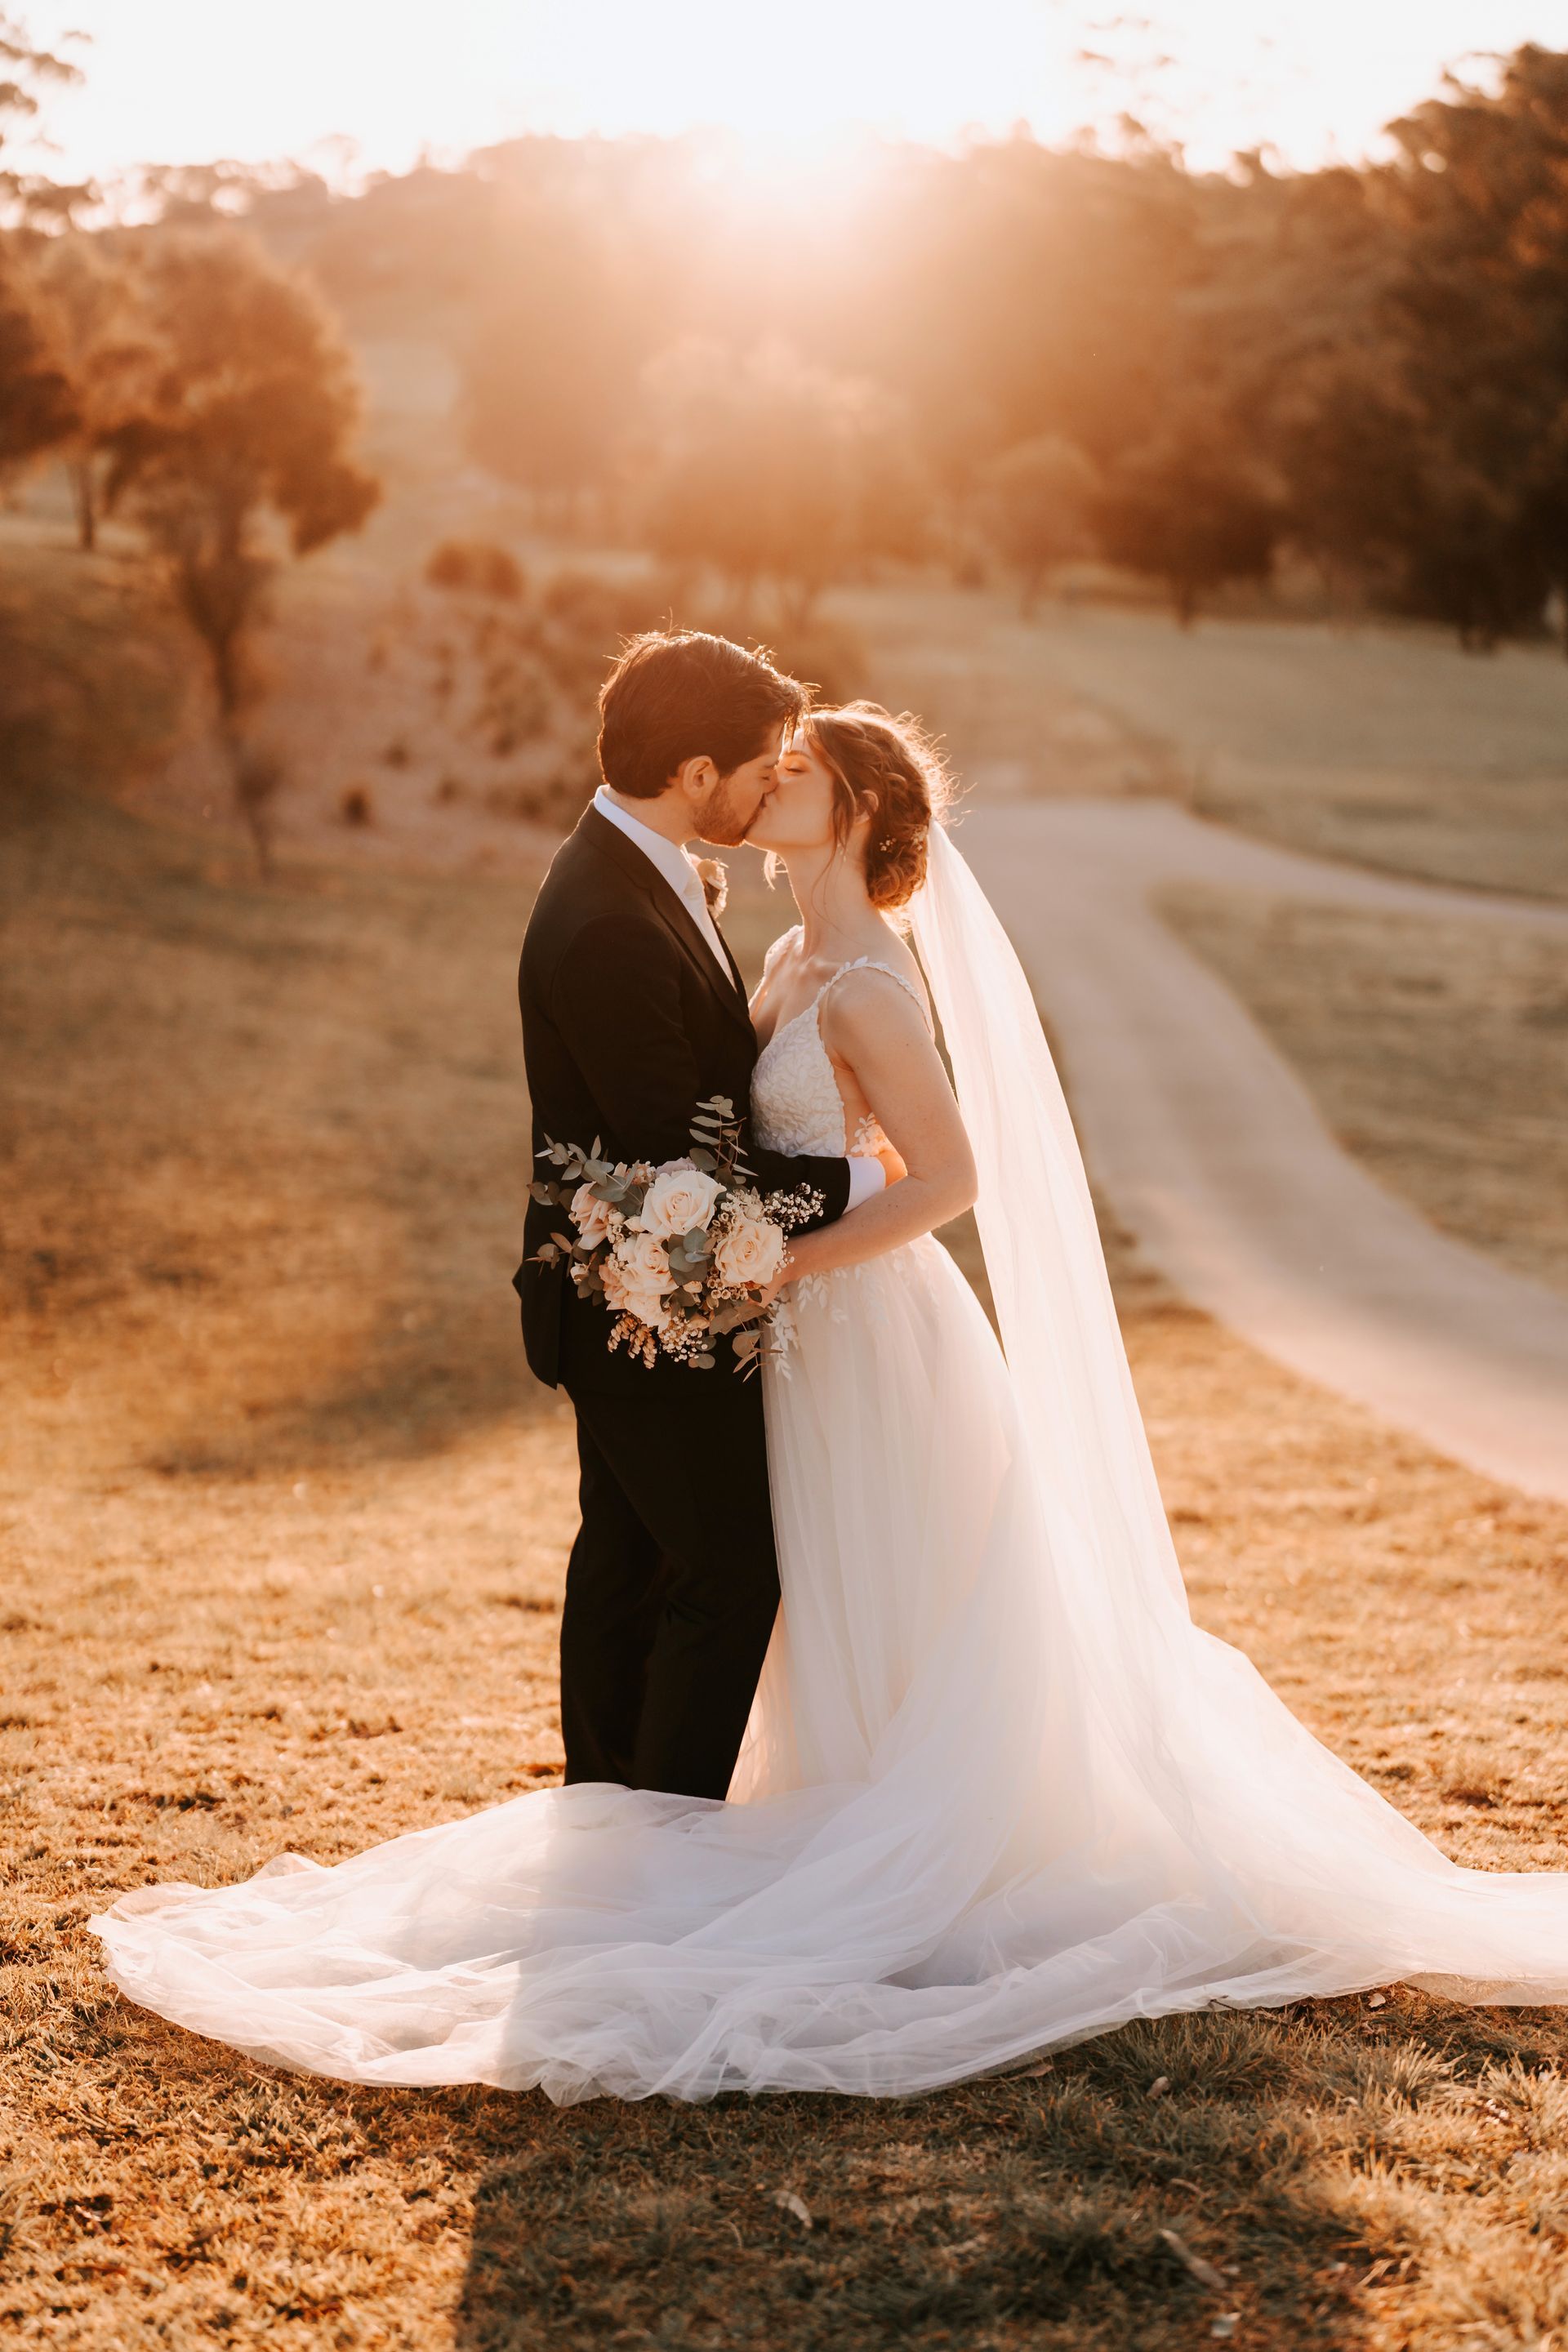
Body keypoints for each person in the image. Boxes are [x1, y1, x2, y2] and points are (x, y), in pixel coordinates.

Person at [91, 702, 1568, 2105]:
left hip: (868, 1325)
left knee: (897, 1575)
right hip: (791, 1334)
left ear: (853, 809)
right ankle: (812, 1803)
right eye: (768, 765)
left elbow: (952, 1180)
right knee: (812, 1580)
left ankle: (922, 1833)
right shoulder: (789, 957)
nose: (766, 785)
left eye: (794, 773)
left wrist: (780, 1266)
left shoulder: (868, 982)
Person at [511, 629, 888, 1802]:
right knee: (725, 1573)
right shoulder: (612, 920)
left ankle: (611, 1829)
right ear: (692, 775)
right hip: (642, 1306)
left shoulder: (638, 868)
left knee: (631, 1562)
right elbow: (690, 1170)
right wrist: (870, 1181)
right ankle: (663, 1850)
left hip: (650, 1301)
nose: (771, 780)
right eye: (759, 762)